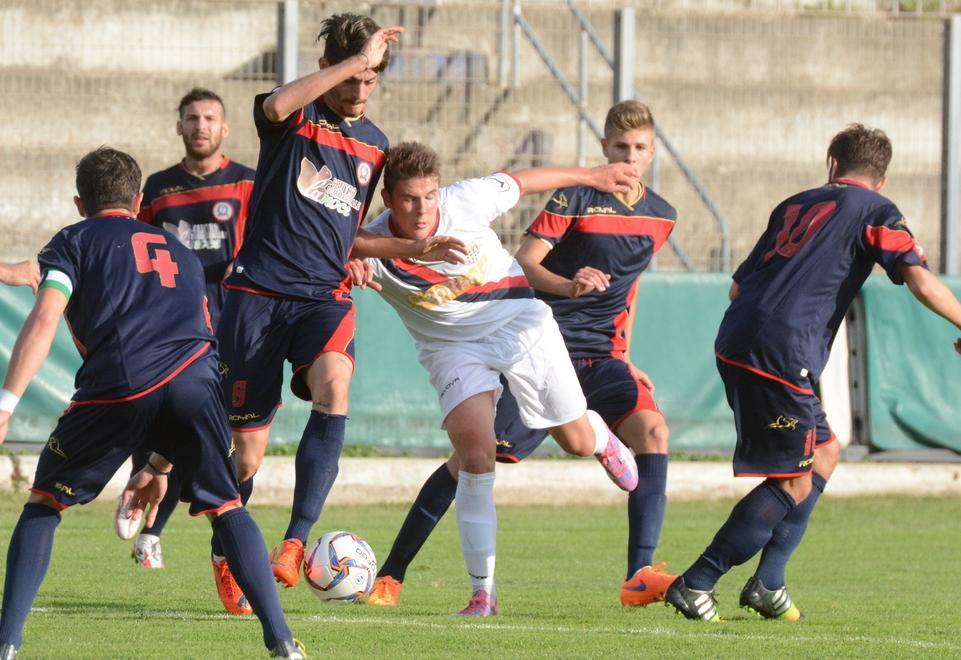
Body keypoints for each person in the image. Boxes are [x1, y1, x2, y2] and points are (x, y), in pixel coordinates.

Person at [364, 101, 678, 610]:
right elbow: (324, 256)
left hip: (518, 324)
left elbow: (523, 180)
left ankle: (600, 439)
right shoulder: (370, 245)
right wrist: (355, 268)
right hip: (450, 349)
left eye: (428, 197)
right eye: (409, 200)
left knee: (575, 439)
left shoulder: (463, 201)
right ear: (387, 199)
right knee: (475, 456)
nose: (423, 210)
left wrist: (593, 176)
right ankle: (481, 594)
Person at [0, 147, 304, 659]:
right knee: (227, 506)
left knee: (46, 501)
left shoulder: (74, 241)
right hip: (197, 381)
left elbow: (46, 315)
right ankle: (283, 644)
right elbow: (199, 335)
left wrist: (6, 402)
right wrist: (161, 460)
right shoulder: (178, 251)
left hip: (120, 382)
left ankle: (6, 644)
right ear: (139, 200)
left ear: (80, 203)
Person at [215, 12, 465, 610]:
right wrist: (352, 61)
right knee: (245, 452)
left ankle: (295, 542)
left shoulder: (375, 146)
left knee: (335, 386)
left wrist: (411, 248)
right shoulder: (294, 115)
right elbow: (272, 108)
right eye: (353, 76)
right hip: (255, 296)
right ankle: (226, 556)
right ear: (329, 67)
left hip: (321, 296)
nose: (360, 89)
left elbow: (346, 236)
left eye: (371, 79)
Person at [665, 124, 961, 623]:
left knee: (824, 452)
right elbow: (920, 280)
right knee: (795, 482)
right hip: (781, 353)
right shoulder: (876, 211)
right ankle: (698, 582)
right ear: (882, 179)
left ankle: (768, 581)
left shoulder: (795, 204)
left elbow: (738, 289)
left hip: (738, 337)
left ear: (831, 164)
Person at [127, 87, 256, 572]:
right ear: (178, 126)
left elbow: (275, 239)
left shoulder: (248, 184)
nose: (200, 125)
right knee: (182, 432)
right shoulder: (158, 191)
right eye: (192, 118)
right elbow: (132, 248)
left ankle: (219, 547)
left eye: (209, 118)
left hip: (238, 333)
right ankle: (155, 531)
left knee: (241, 448)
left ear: (224, 129)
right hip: (174, 334)